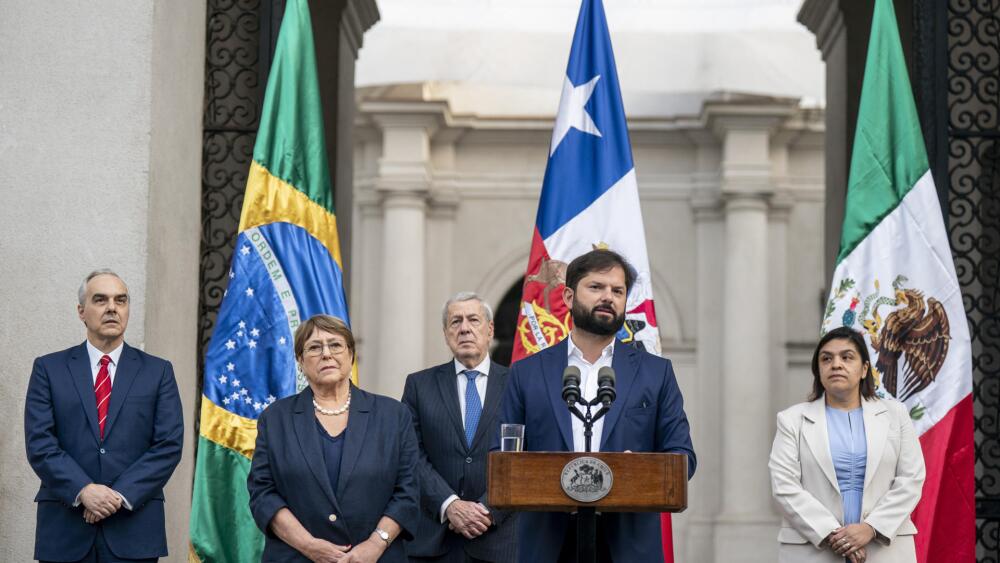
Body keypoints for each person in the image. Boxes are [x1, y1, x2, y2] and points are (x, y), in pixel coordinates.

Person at [496, 249, 696, 563]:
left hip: (628, 544)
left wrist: (638, 472)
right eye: (596, 287)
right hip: (548, 543)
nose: (608, 297)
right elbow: (503, 455)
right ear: (568, 296)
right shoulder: (527, 372)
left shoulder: (656, 373)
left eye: (618, 291)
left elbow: (683, 456)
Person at [24, 269, 185, 562]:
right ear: (81, 311)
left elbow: (168, 445)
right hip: (65, 530)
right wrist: (83, 490)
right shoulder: (49, 369)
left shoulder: (158, 371)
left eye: (120, 300)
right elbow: (40, 443)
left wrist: (117, 496)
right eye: (101, 300)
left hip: (133, 529)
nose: (112, 308)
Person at [248, 314, 419, 562]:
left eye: (335, 345)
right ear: (300, 360)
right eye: (314, 347)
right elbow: (263, 493)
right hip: (296, 557)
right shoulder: (275, 419)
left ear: (350, 354)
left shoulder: (393, 415)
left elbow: (408, 491)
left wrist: (374, 545)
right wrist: (308, 546)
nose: (326, 354)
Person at [769, 326, 926, 563]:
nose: (836, 364)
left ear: (864, 369)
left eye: (846, 357)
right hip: (815, 550)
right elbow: (784, 486)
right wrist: (838, 536)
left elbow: (911, 479)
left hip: (883, 549)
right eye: (826, 359)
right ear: (818, 371)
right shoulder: (791, 420)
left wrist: (871, 528)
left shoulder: (896, 415)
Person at [401, 293, 517, 563]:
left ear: (490, 330)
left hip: (499, 541)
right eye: (455, 321)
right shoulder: (419, 386)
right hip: (434, 541)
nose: (464, 327)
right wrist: (449, 504)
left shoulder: (517, 384)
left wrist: (488, 510)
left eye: (473, 320)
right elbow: (409, 453)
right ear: (446, 333)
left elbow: (526, 455)